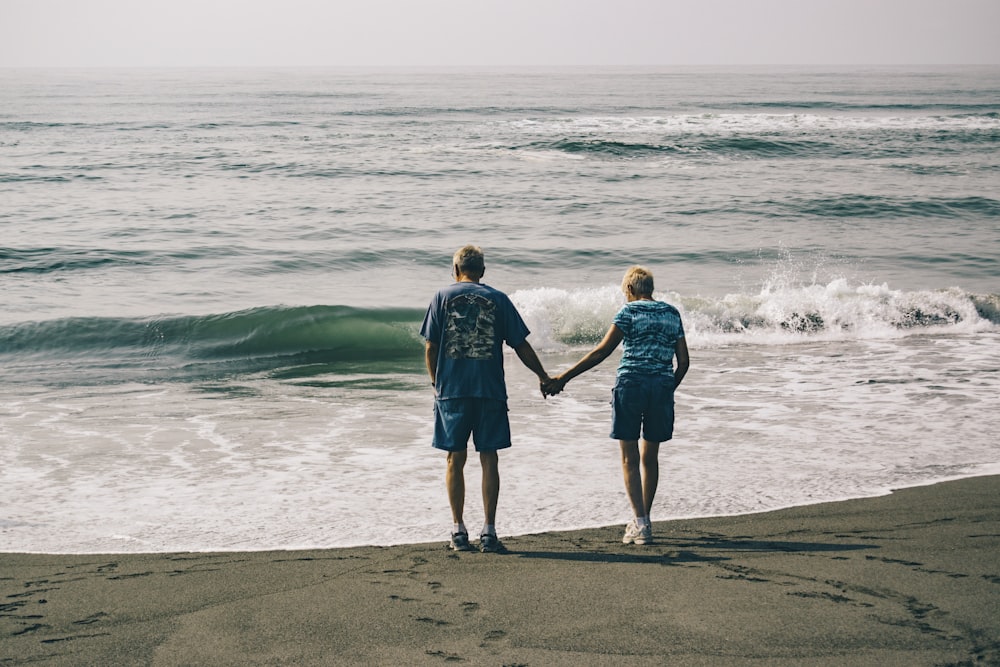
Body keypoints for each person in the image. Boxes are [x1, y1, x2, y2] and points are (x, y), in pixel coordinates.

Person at [544, 266, 689, 545]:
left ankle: (641, 523)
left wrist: (563, 377)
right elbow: (683, 362)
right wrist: (667, 387)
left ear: (631, 290)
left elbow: (601, 352)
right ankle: (643, 520)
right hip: (660, 386)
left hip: (631, 385)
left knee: (628, 458)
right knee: (651, 457)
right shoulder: (672, 313)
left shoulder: (628, 312)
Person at [421, 245, 552, 553]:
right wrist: (543, 376)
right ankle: (489, 532)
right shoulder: (498, 299)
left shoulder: (441, 297)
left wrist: (435, 382)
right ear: (482, 271)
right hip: (490, 390)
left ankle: (458, 530)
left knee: (455, 459)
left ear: (455, 270)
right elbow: (520, 345)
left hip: (452, 391)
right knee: (489, 458)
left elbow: (431, 346)